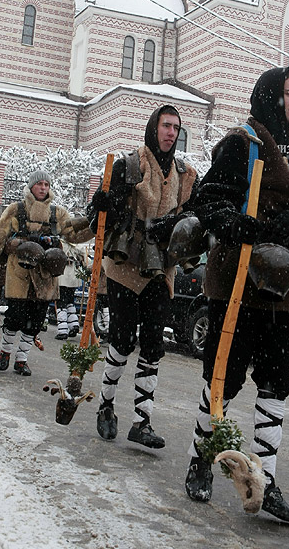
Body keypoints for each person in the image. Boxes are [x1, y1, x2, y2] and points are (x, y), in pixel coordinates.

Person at [184, 66, 289, 525]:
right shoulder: (240, 143)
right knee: (222, 378)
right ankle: (201, 459)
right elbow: (207, 199)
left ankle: (265, 481)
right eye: (288, 93)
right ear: (269, 96)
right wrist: (235, 223)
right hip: (238, 283)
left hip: (281, 290)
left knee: (276, 383)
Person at [87, 105, 197, 449]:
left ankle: (141, 420)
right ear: (154, 128)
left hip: (162, 269)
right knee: (121, 338)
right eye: (166, 125)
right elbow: (105, 212)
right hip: (126, 265)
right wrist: (104, 202)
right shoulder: (130, 165)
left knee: (153, 342)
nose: (171, 133)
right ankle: (106, 406)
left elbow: (197, 209)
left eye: (176, 128)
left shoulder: (185, 174)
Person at [0, 171, 93, 376]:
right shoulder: (15, 210)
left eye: (46, 184)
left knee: (35, 320)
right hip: (19, 273)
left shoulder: (58, 213)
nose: (43, 187)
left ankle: (22, 360)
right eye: (39, 184)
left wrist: (95, 224)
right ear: (31, 187)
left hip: (46, 275)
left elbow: (74, 234)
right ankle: (5, 351)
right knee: (14, 317)